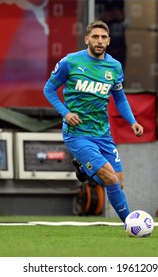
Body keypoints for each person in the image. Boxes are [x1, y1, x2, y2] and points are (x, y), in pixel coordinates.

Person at [43, 20, 143, 223]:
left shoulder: (114, 67)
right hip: (77, 132)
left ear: (108, 41)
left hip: (102, 133)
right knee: (111, 178)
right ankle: (131, 224)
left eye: (103, 37)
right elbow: (48, 89)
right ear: (87, 39)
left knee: (118, 182)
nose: (99, 41)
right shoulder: (70, 62)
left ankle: (84, 168)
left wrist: (132, 121)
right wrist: (65, 113)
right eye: (95, 37)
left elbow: (120, 98)